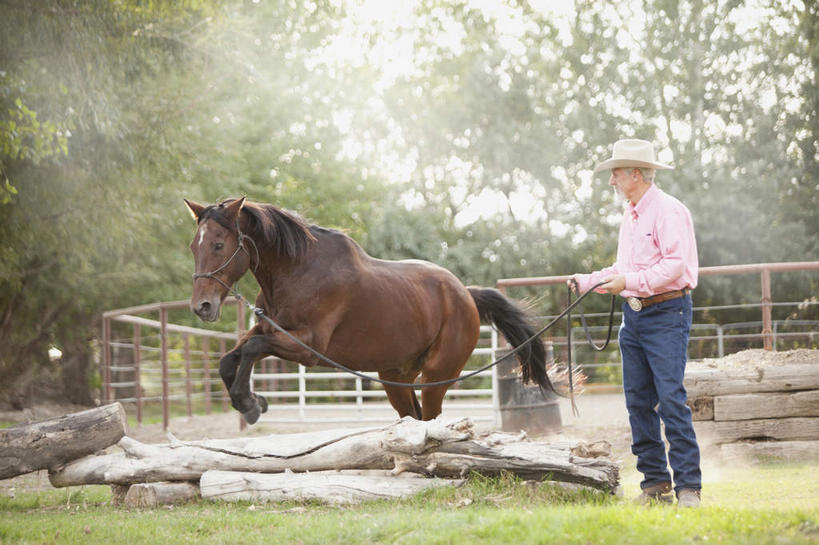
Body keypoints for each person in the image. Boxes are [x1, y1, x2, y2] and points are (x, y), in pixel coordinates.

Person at [569, 138, 702, 508]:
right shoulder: (632, 214)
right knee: (638, 402)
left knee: (671, 399)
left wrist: (628, 283)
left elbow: (674, 266)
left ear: (636, 174)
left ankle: (688, 486)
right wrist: (587, 281)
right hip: (636, 314)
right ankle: (655, 484)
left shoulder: (669, 211)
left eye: (616, 173)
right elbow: (624, 270)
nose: (612, 180)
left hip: (666, 313)